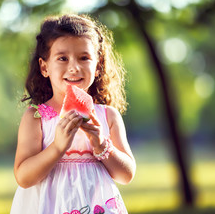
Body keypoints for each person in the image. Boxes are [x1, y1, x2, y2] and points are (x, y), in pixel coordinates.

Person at [10, 14, 136, 214]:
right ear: (44, 67)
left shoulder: (108, 116)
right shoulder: (36, 117)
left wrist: (101, 144)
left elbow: (126, 175)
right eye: (62, 58)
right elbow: (24, 178)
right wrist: (57, 147)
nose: (74, 67)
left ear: (98, 66)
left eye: (84, 58)